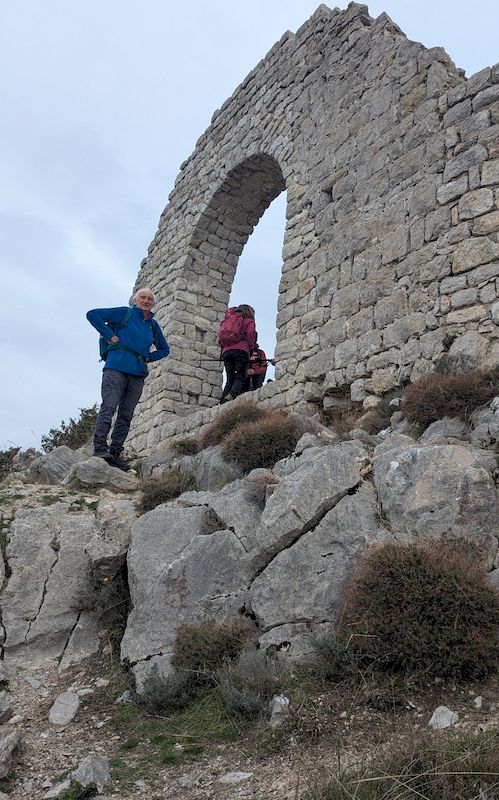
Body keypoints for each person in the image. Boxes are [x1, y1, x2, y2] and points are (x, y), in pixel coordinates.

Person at [86, 288, 169, 470]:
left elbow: (164, 349)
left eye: (149, 299)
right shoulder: (125, 313)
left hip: (137, 374)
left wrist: (148, 357)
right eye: (143, 297)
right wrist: (109, 335)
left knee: (126, 415)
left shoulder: (153, 325)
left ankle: (115, 453)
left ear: (153, 304)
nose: (146, 301)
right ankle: (99, 449)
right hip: (116, 368)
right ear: (136, 300)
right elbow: (92, 315)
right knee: (109, 407)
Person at [218, 304, 256, 403]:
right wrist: (250, 348)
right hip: (241, 350)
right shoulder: (249, 321)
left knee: (230, 377)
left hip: (226, 351)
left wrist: (224, 348)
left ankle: (223, 401)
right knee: (240, 375)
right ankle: (232, 394)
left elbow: (220, 337)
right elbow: (251, 334)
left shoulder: (229, 319)